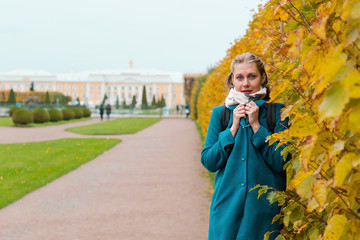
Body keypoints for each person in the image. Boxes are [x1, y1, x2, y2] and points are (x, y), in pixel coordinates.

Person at [201, 52, 289, 240]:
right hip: (225, 210)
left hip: (264, 214)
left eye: (252, 76)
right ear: (232, 80)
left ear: (262, 77)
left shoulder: (277, 112)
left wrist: (257, 126)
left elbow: (281, 161)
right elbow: (209, 161)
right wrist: (232, 128)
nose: (245, 84)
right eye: (239, 78)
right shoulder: (221, 113)